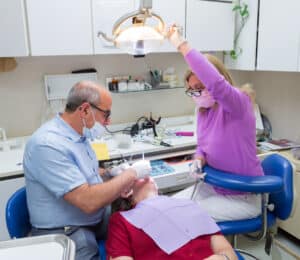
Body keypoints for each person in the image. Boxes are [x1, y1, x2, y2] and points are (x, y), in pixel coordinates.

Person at [23, 81, 152, 260]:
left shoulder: (77, 135)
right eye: (106, 114)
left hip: (92, 217)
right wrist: (131, 174)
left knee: (142, 233)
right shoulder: (47, 145)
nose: (108, 121)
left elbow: (85, 174)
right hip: (67, 229)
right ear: (84, 110)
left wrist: (111, 174)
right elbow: (88, 201)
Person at [167, 26, 264, 221]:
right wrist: (198, 159)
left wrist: (181, 44)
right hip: (213, 188)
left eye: (201, 87)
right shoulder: (203, 112)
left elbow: (216, 84)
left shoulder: (238, 103)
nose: (198, 93)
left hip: (243, 196)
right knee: (168, 208)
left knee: (187, 216)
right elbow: (203, 147)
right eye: (192, 90)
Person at [106, 177, 237, 260]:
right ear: (126, 192)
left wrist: (221, 258)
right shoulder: (122, 220)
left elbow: (228, 252)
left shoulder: (188, 205)